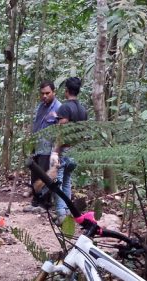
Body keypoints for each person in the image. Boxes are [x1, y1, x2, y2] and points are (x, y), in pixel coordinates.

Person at [51, 77, 88, 220]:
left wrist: (56, 151)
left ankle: (61, 212)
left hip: (65, 149)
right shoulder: (83, 109)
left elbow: (62, 131)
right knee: (67, 180)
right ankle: (66, 210)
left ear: (67, 91)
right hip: (76, 150)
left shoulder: (65, 108)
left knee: (58, 181)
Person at [29, 81, 60, 202]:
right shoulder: (40, 107)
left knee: (44, 177)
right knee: (35, 176)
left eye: (48, 93)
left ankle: (44, 203)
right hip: (37, 147)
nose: (45, 96)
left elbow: (60, 132)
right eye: (42, 93)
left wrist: (55, 152)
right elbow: (36, 126)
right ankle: (36, 201)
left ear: (54, 92)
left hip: (48, 150)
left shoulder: (59, 108)